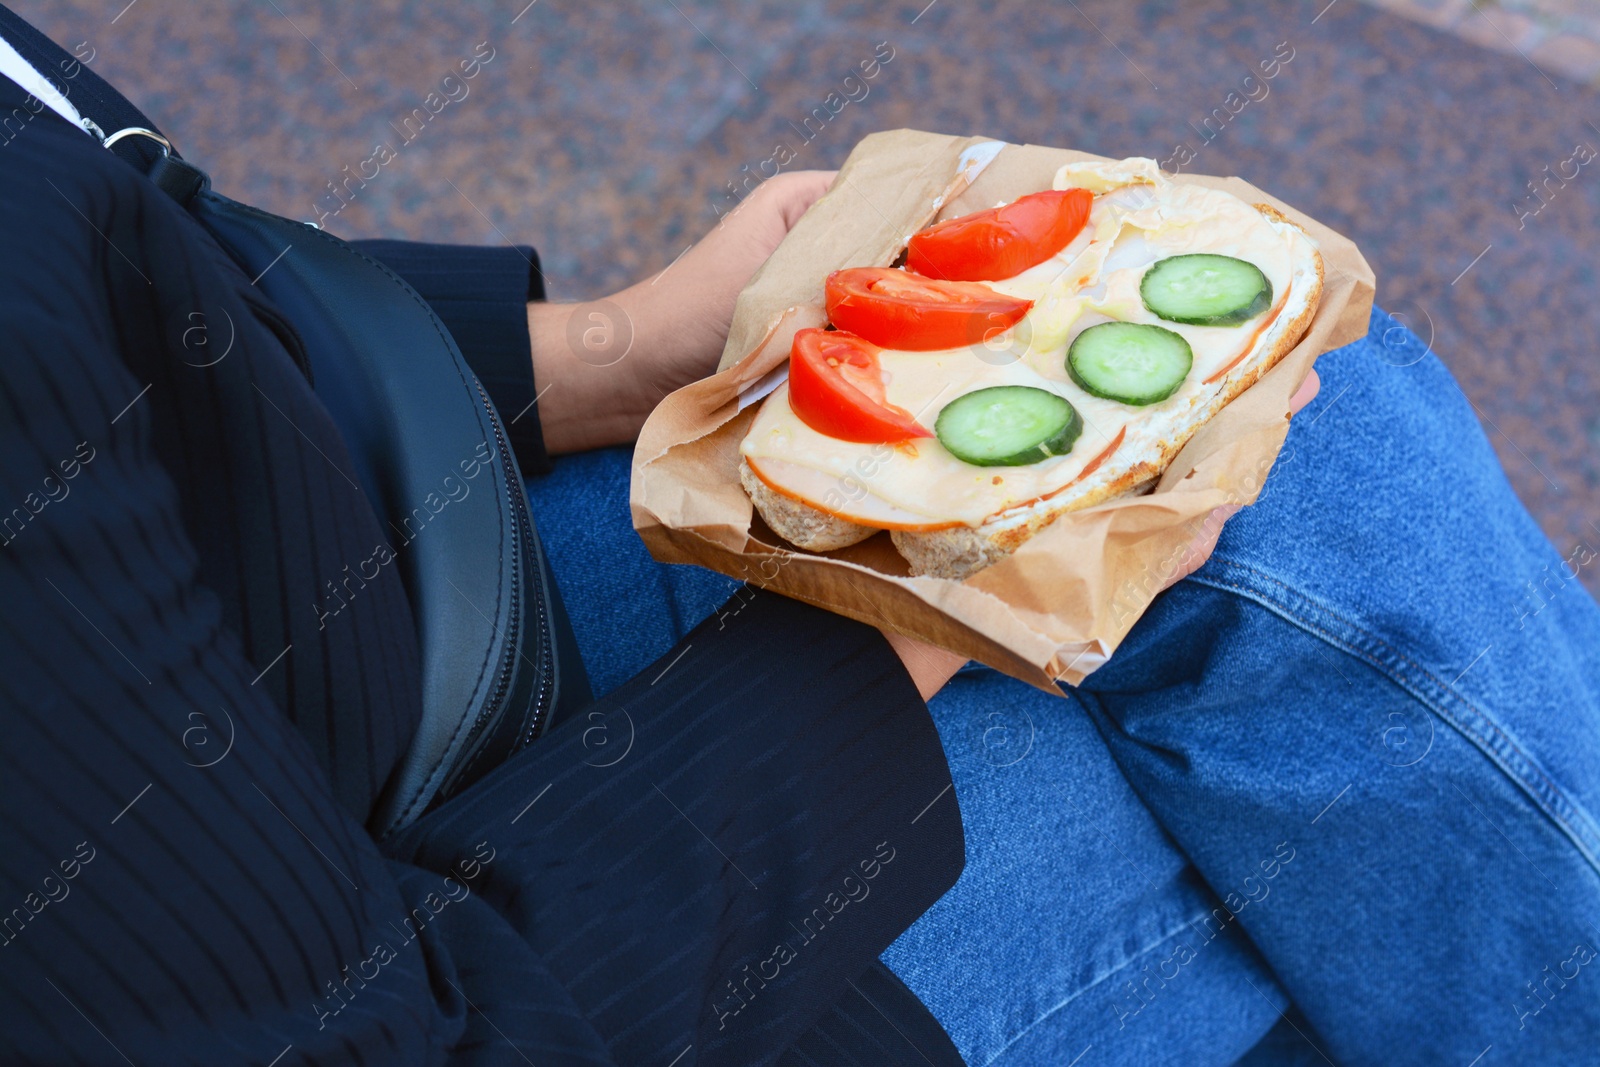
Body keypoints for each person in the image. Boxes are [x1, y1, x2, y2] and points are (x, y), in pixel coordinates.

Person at [2, 7, 1597, 1066]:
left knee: (1320, 447)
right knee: (1304, 671)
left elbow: (136, 298)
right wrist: (908, 597)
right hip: (451, 960)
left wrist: (612, 349)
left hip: (333, 663)